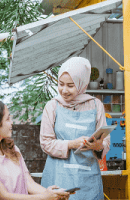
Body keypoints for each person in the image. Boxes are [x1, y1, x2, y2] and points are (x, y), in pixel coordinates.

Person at [0, 99, 70, 200]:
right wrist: (45, 197)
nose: (11, 123)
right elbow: (4, 196)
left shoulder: (12, 149)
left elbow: (28, 183)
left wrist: (53, 194)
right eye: (7, 119)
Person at [40, 57, 110, 200]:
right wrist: (72, 144)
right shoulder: (52, 106)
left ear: (81, 83)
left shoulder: (96, 105)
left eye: (70, 85)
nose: (64, 90)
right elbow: (46, 143)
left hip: (87, 181)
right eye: (61, 84)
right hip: (58, 179)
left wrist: (98, 146)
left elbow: (105, 142)